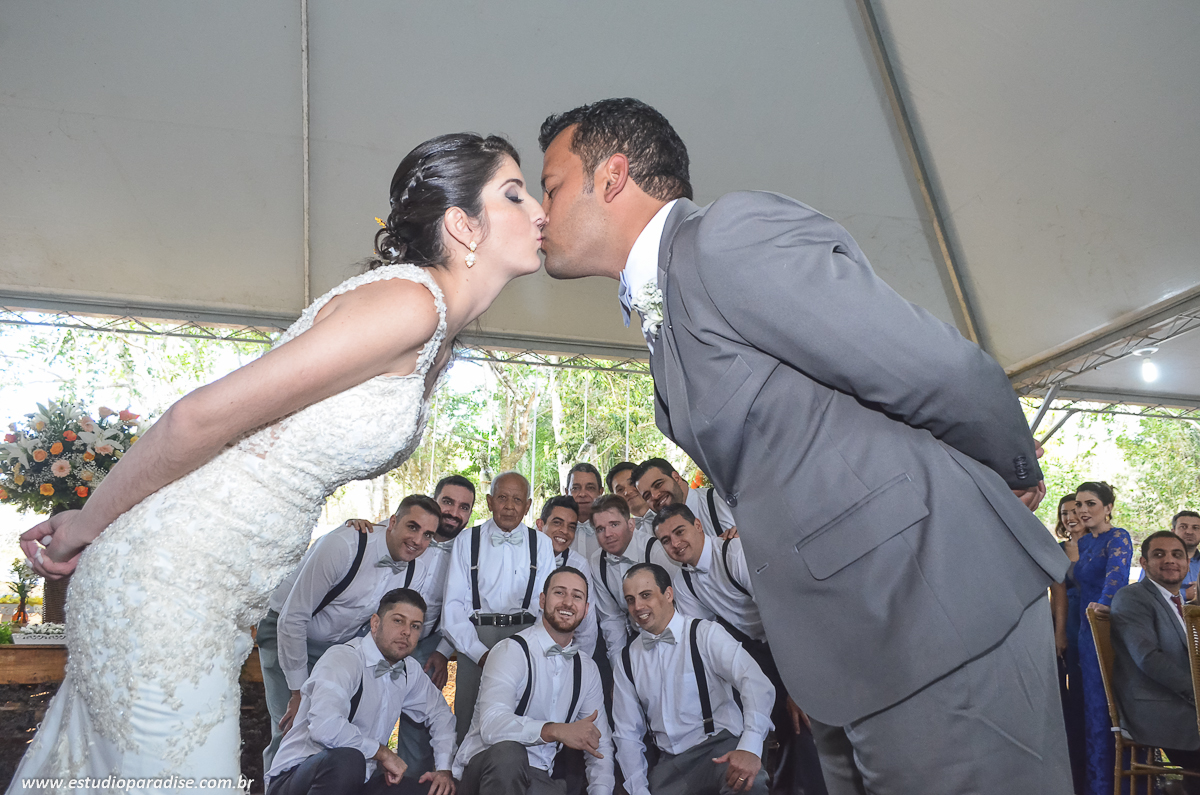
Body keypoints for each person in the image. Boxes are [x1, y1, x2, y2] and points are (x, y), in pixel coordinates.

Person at [538, 97, 1070, 794]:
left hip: (933, 609)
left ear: (612, 176)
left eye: (550, 187)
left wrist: (1009, 470)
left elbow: (932, 365)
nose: (540, 212)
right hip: (852, 649)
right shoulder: (662, 305)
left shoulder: (723, 240)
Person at [13, 131, 546, 787]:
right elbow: (195, 418)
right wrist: (83, 525)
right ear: (463, 224)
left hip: (218, 593)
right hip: (171, 580)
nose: (539, 210)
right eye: (515, 194)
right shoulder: (408, 303)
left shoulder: (437, 335)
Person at [652, 504, 826, 795]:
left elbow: (782, 617)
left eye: (679, 532)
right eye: (666, 540)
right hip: (752, 650)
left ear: (698, 526)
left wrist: (797, 687)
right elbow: (703, 637)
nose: (675, 543)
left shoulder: (734, 554)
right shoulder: (682, 582)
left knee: (803, 723)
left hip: (789, 640)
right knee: (762, 715)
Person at [264, 495, 442, 772]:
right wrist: (298, 692)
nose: (418, 540)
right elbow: (292, 617)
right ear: (392, 522)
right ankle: (276, 784)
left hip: (338, 647)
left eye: (428, 534)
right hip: (288, 635)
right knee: (290, 729)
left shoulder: (416, 570)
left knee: (332, 730)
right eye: (412, 527)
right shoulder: (344, 546)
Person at [266, 588, 457, 795]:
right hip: (297, 777)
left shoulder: (409, 670)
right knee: (348, 759)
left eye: (415, 626)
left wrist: (444, 770)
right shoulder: (344, 659)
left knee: (435, 791)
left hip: (359, 783)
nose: (406, 632)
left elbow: (440, 714)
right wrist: (382, 753)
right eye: (398, 621)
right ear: (375, 623)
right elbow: (324, 727)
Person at [613, 563, 774, 795]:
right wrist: (638, 790)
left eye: (645, 595)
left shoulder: (705, 634)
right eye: (630, 599)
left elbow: (756, 683)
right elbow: (627, 733)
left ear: (668, 594)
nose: (637, 606)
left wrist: (750, 746)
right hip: (670, 766)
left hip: (719, 748)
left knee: (748, 785)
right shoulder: (626, 659)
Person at [453, 566, 615, 795]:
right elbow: (491, 724)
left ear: (586, 609)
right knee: (509, 755)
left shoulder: (587, 669)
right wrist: (554, 730)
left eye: (577, 596)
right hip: (487, 772)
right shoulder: (511, 650)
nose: (568, 602)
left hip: (539, 778)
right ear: (542, 600)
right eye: (559, 592)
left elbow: (600, 744)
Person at [442, 471, 556, 743]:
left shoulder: (541, 543)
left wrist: (532, 648)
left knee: (522, 716)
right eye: (502, 497)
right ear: (490, 501)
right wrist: (479, 653)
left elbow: (546, 604)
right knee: (468, 719)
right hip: (476, 640)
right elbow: (453, 606)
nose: (509, 506)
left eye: (517, 499)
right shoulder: (467, 541)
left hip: (526, 638)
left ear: (528, 506)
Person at [1110, 531, 1200, 793]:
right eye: (1159, 554)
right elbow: (1148, 658)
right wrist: (1197, 693)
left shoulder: (1178, 602)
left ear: (1187, 563)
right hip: (1158, 709)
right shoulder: (1132, 597)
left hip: (1183, 704)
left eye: (1177, 555)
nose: (1169, 560)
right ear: (1144, 562)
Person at [1071, 481, 1133, 795]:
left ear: (1108, 507)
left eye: (1090, 504)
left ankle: (1117, 786)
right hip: (1084, 631)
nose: (1083, 510)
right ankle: (1095, 785)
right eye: (1079, 505)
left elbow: (1117, 577)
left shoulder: (1118, 537)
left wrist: (1103, 605)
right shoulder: (1084, 543)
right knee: (1091, 707)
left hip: (1106, 628)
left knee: (1109, 708)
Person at [587, 494, 674, 664]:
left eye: (614, 524)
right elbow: (611, 619)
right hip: (636, 639)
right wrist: (619, 666)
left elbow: (681, 604)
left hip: (672, 635)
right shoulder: (597, 562)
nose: (608, 534)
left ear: (631, 524)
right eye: (600, 529)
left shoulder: (655, 551)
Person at [1048, 493, 1086, 795]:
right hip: (1068, 620)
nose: (1070, 517)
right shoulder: (1057, 549)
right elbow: (1056, 590)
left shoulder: (1106, 544)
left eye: (1075, 511)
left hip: (1097, 617)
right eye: (1064, 513)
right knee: (1069, 691)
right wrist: (1059, 632)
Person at [534, 495, 598, 657]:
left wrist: (579, 664)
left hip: (562, 652)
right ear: (540, 525)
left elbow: (587, 626)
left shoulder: (579, 564)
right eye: (557, 523)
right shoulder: (521, 556)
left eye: (571, 527)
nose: (564, 531)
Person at [632, 458, 735, 539]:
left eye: (658, 484)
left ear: (676, 478)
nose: (654, 495)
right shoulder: (659, 532)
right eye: (647, 496)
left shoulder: (720, 501)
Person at [566, 462, 605, 560]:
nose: (582, 494)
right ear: (566, 492)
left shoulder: (611, 528)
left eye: (590, 488)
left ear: (600, 492)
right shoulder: (551, 528)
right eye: (575, 488)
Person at [605, 462, 654, 529]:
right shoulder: (624, 532)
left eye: (632, 483)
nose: (627, 492)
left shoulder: (668, 515)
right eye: (620, 489)